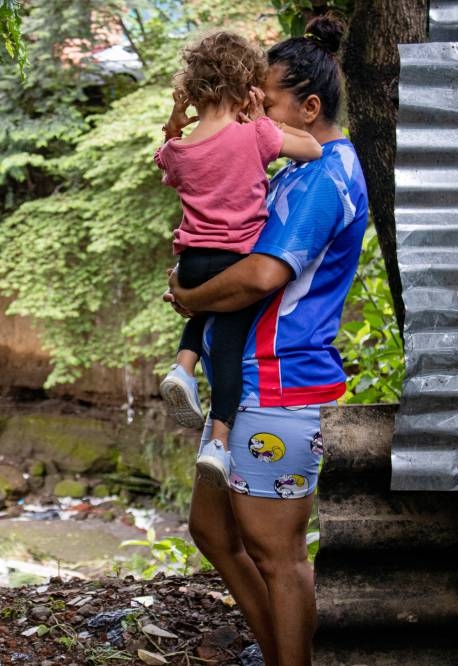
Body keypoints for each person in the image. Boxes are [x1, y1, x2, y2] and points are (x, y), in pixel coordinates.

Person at [164, 15, 368, 666]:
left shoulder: (326, 174)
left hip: (281, 384)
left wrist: (190, 298)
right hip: (243, 374)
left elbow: (260, 274)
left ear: (309, 107)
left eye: (268, 97)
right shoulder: (289, 159)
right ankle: (281, 654)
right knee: (213, 531)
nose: (255, 105)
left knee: (277, 553)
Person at [155, 30, 322, 490]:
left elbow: (163, 159)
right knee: (227, 351)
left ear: (192, 87)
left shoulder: (179, 150)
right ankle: (220, 445)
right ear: (247, 83)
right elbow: (314, 150)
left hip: (192, 260)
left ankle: (182, 369)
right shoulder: (256, 135)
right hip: (236, 262)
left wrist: (175, 120)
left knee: (199, 307)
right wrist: (260, 122)